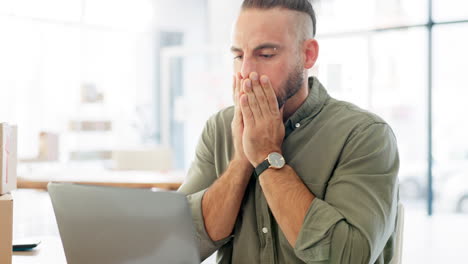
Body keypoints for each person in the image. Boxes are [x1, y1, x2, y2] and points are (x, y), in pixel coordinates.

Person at [178, 0, 399, 263]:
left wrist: (267, 156)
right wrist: (240, 161)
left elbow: (351, 257)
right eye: (238, 56)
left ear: (308, 55)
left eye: (266, 55)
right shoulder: (219, 128)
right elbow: (176, 244)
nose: (246, 72)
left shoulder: (365, 135)